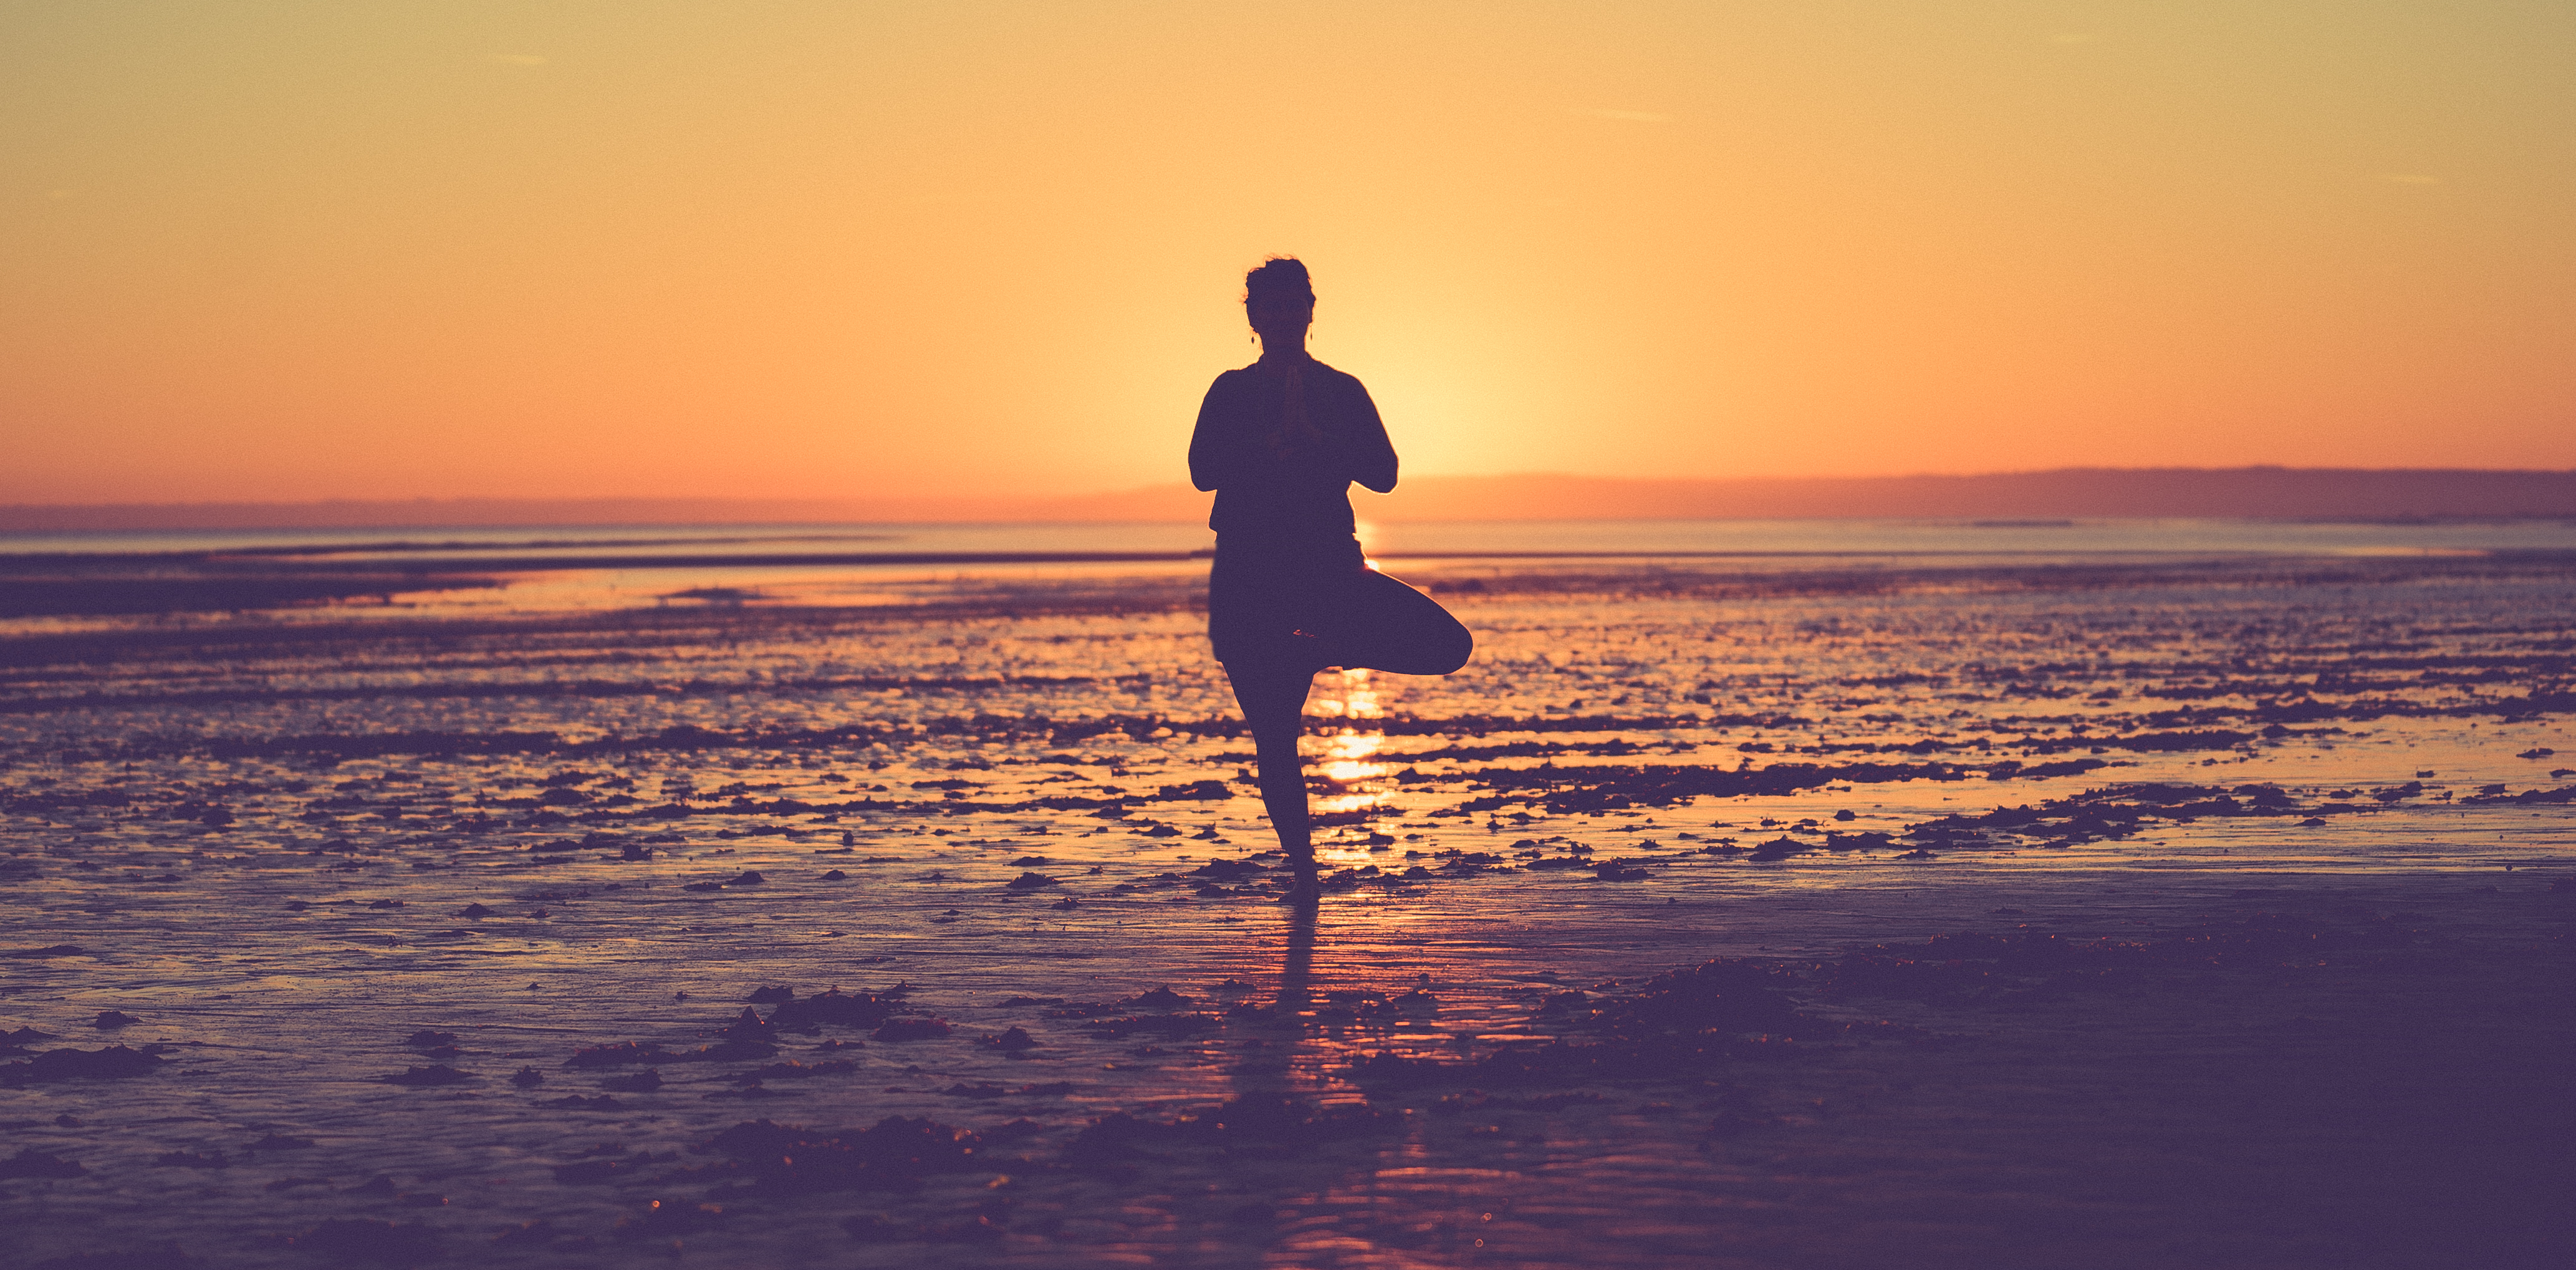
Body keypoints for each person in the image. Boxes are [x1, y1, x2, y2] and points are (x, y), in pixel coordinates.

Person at [1188, 257, 1473, 902]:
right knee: (1274, 737)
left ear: (1310, 312)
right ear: (1254, 317)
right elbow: (1203, 471)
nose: (1286, 318)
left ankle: (1326, 642)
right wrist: (1266, 445)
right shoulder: (1229, 391)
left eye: (1296, 305)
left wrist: (1320, 439)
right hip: (1249, 579)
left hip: (1328, 571)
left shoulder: (1342, 390)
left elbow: (1384, 474)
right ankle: (1305, 876)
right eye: (1273, 307)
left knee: (1449, 645)